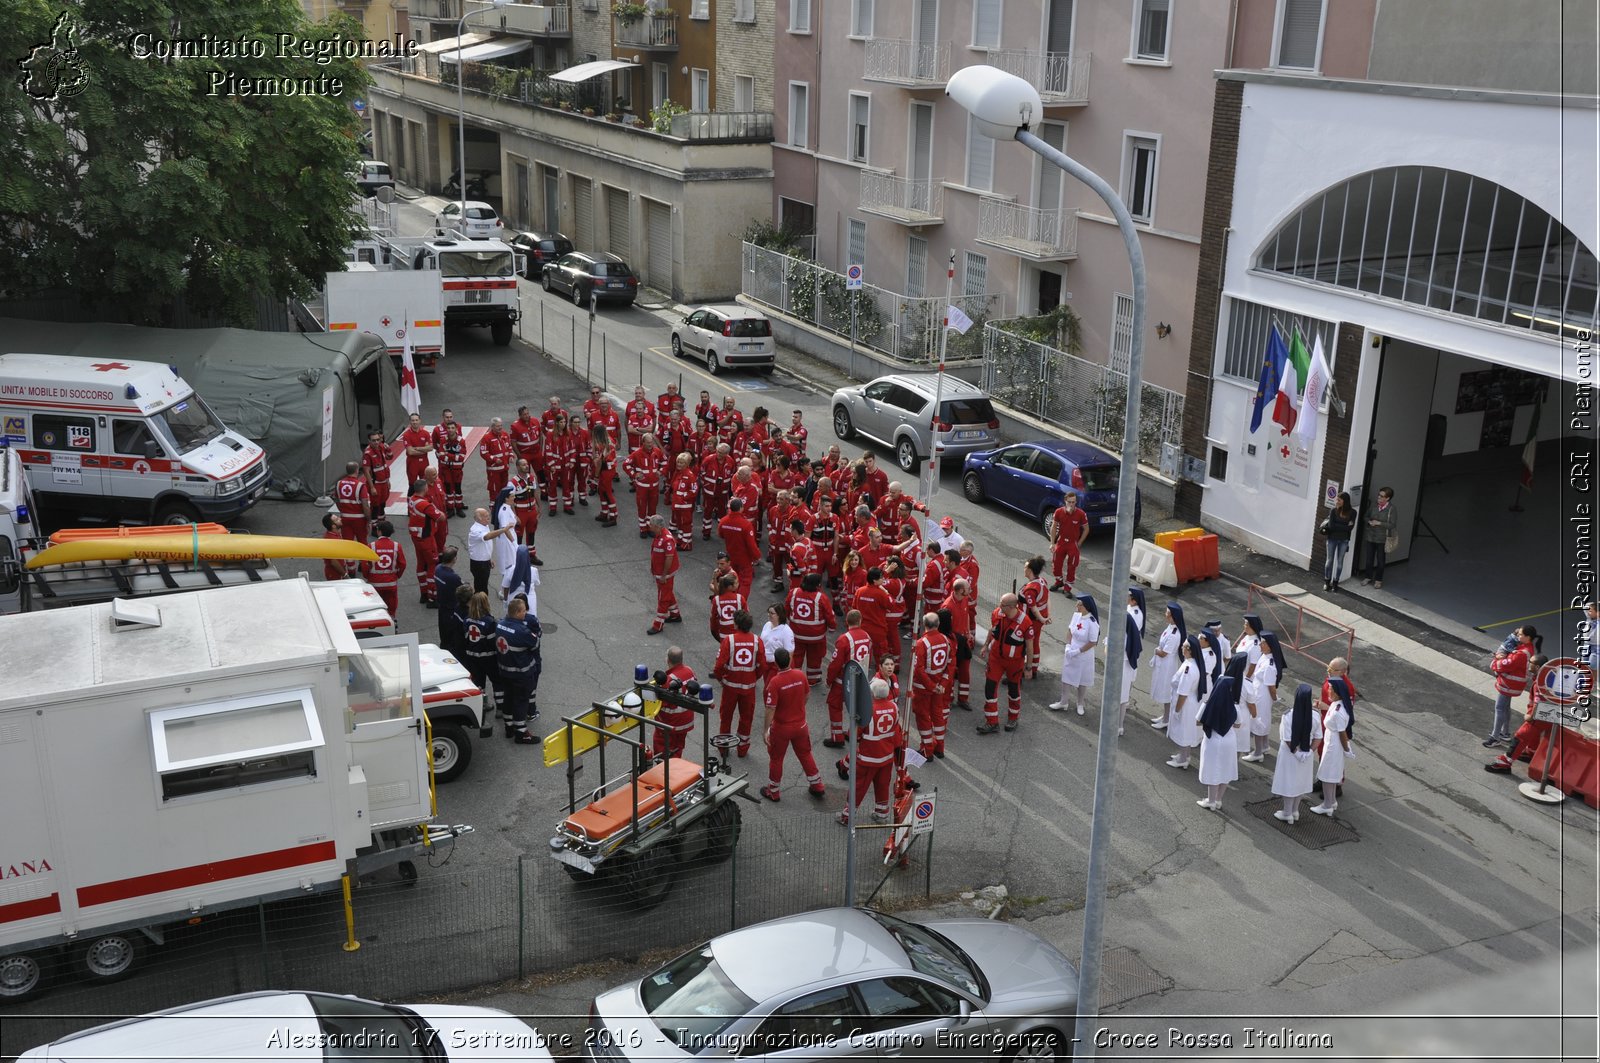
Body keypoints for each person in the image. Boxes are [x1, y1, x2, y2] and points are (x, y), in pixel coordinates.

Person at [759, 647, 827, 801]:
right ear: (789, 660)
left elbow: (770, 708)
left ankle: (773, 791)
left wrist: (765, 730)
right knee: (805, 754)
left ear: (775, 663)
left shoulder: (775, 682)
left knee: (776, 759)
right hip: (801, 726)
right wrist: (798, 708)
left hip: (781, 727)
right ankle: (817, 785)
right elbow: (807, 695)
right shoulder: (800, 675)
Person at [837, 677, 900, 825]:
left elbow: (855, 735)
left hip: (867, 758)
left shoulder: (867, 711)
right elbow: (896, 730)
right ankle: (882, 814)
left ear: (873, 694)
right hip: (886, 757)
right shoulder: (894, 707)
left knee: (858, 787)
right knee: (883, 786)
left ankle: (847, 816)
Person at [977, 592, 1034, 735]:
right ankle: (991, 721)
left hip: (1015, 663)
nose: (999, 607)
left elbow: (1030, 647)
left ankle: (1013, 718)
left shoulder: (1025, 622)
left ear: (1012, 607)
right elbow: (992, 629)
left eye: (1002, 605)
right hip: (996, 659)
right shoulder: (997, 614)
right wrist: (985, 645)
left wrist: (1028, 668)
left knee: (1014, 691)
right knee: (990, 688)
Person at [1486, 654, 1552, 774]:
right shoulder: (1550, 677)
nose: (1528, 664)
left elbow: (1539, 702)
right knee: (1535, 736)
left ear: (1537, 667)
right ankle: (1530, 752)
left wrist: (1530, 717)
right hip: (1549, 716)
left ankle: (1505, 762)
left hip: (1537, 717)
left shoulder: (1540, 683)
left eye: (1530, 663)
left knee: (1521, 736)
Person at [1196, 656, 1244, 810]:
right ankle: (1218, 800)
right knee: (1225, 770)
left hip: (1212, 740)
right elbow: (1238, 724)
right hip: (1229, 740)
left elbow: (1198, 721)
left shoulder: (1208, 704)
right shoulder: (1235, 707)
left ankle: (1210, 800)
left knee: (1212, 770)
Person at [713, 610, 763, 757]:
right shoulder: (757, 640)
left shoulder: (729, 640)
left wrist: (721, 679)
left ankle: (723, 747)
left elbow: (718, 665)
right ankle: (742, 747)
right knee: (746, 718)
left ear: (736, 624)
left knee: (726, 716)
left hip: (730, 687)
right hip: (749, 688)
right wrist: (753, 678)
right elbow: (762, 665)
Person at [1271, 684, 1323, 823]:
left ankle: (1287, 812)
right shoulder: (1315, 715)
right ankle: (1295, 810)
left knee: (1289, 782)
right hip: (1306, 754)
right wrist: (1309, 751)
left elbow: (1287, 739)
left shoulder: (1288, 715)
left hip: (1290, 754)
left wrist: (1296, 752)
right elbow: (1318, 737)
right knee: (1300, 782)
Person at [494, 596, 542, 745]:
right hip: (521, 673)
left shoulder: (500, 625)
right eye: (523, 611)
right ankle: (521, 733)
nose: (525, 613)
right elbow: (535, 644)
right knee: (521, 701)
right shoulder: (522, 631)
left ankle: (509, 727)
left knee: (508, 698)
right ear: (517, 612)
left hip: (504, 671)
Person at [825, 610, 875, 747]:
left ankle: (837, 737)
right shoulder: (867, 637)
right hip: (861, 679)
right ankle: (855, 733)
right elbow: (869, 658)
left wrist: (829, 680)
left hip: (843, 680)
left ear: (847, 622)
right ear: (860, 621)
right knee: (858, 708)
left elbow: (835, 664)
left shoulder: (844, 639)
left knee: (834, 705)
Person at [910, 612, 954, 760]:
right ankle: (939, 748)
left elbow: (918, 669)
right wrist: (942, 683)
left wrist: (930, 685)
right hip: (939, 687)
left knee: (923, 717)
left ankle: (927, 750)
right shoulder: (946, 640)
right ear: (938, 624)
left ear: (924, 625)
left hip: (924, 688)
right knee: (938, 716)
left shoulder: (922, 643)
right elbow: (950, 664)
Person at [1486, 626, 1539, 747]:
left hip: (1508, 684)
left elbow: (1505, 665)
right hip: (1513, 684)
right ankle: (1505, 733)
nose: (1518, 636)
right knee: (1505, 707)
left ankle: (1495, 737)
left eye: (1520, 634)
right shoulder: (1527, 649)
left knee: (1499, 708)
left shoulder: (1521, 652)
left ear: (1528, 637)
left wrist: (1495, 661)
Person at [1308, 677, 1354, 816]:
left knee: (1328, 776)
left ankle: (1327, 805)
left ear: (1337, 692)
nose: (1328, 690)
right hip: (1331, 742)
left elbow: (1342, 733)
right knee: (1331, 775)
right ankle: (1331, 800)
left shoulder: (1338, 711)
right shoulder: (1337, 704)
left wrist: (1347, 749)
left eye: (1331, 689)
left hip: (1333, 746)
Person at [1051, 594, 1100, 716]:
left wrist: (1078, 651)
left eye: (1079, 604)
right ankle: (1064, 702)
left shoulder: (1092, 623)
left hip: (1084, 654)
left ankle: (1080, 703)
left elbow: (1093, 642)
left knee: (1082, 680)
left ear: (1086, 607)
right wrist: (1068, 646)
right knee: (1066, 676)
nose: (1076, 605)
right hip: (1071, 650)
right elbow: (1070, 630)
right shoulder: (1076, 615)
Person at [1105, 587, 1145, 737]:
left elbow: (1130, 631)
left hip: (1125, 660)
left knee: (1122, 694)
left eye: (1129, 596)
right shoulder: (1128, 610)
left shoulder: (1135, 615)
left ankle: (1119, 725)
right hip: (1119, 661)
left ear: (1134, 599)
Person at [1166, 636, 1208, 769]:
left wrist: (1177, 710)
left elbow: (1183, 693)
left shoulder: (1189, 668)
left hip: (1185, 704)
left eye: (1183, 647)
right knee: (1187, 731)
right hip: (1189, 703)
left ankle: (1183, 759)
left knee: (1183, 731)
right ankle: (1184, 755)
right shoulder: (1190, 663)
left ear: (1189, 650)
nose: (1181, 648)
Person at [788, 573, 836, 686]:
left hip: (796, 633)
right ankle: (812, 679)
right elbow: (829, 615)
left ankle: (795, 679)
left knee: (796, 656)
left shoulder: (794, 593)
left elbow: (786, 608)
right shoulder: (821, 597)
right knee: (815, 657)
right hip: (816, 636)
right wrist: (832, 627)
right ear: (817, 584)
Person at [1244, 631, 1285, 762]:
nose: (1260, 645)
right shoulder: (1264, 656)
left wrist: (1274, 698)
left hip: (1263, 697)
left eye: (1263, 643)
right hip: (1258, 692)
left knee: (1258, 721)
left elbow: (1271, 687)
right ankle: (1265, 746)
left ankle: (1257, 752)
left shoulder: (1270, 665)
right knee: (1263, 719)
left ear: (1270, 646)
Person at [652, 646, 699, 760]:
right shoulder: (689, 670)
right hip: (686, 721)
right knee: (678, 748)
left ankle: (666, 773)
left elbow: (661, 703)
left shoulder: (668, 680)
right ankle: (676, 768)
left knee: (662, 749)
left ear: (668, 660)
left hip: (670, 723)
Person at [460, 592, 501, 718]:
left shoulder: (467, 620)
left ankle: (482, 705)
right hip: (488, 657)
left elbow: (465, 639)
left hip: (472, 657)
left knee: (478, 682)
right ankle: (500, 708)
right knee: (497, 682)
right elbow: (493, 642)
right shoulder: (490, 622)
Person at [1148, 602, 1186, 730]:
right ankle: (1165, 715)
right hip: (1163, 664)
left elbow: (1164, 653)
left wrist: (1156, 650)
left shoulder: (1175, 634)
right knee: (1163, 690)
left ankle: (1166, 719)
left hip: (1167, 665)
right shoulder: (1170, 627)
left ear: (1173, 616)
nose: (1165, 615)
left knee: (1166, 692)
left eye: (1167, 613)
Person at [940, 578, 975, 711]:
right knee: (951, 670)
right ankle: (949, 698)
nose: (970, 590)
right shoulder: (947, 606)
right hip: (953, 641)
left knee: (965, 670)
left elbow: (966, 615)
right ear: (961, 591)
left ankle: (963, 699)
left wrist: (967, 632)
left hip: (963, 639)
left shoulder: (964, 599)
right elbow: (945, 629)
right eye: (968, 588)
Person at [406, 480, 443, 607]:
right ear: (425, 488)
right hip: (426, 538)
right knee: (433, 565)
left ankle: (424, 593)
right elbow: (440, 517)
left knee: (421, 565)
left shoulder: (412, 499)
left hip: (416, 537)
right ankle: (432, 597)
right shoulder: (424, 504)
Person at [624, 433, 667, 538]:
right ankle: (643, 528)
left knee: (652, 508)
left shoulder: (657, 452)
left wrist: (660, 471)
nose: (650, 444)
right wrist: (634, 475)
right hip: (642, 487)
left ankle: (650, 527)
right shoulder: (636, 453)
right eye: (648, 442)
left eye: (651, 442)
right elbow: (626, 464)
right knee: (642, 508)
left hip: (654, 487)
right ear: (643, 442)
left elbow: (665, 461)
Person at [362, 519, 406, 618]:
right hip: (391, 583)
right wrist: (396, 575)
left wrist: (367, 576)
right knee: (391, 606)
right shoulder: (396, 546)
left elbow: (365, 565)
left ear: (379, 531)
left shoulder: (371, 546)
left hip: (375, 583)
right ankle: (392, 622)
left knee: (376, 606)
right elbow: (402, 564)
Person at [646, 514, 682, 635]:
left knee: (663, 597)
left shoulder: (666, 539)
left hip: (665, 574)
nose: (649, 526)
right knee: (666, 592)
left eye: (651, 525)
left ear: (657, 526)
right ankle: (675, 614)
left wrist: (664, 575)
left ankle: (658, 624)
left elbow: (669, 558)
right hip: (660, 572)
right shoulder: (659, 535)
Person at [719, 497, 761, 599]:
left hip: (731, 557)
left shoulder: (723, 521)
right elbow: (751, 545)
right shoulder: (746, 524)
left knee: (732, 580)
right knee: (745, 582)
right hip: (744, 559)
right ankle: (740, 604)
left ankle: (731, 600)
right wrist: (757, 556)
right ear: (741, 508)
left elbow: (721, 535)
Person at [1048, 492, 1090, 593]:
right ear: (1065, 501)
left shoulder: (1081, 514)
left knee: (1072, 566)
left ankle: (1067, 588)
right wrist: (1052, 543)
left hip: (1073, 544)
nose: (1071, 504)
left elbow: (1086, 529)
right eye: (1069, 502)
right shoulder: (1058, 512)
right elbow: (1054, 527)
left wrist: (1079, 543)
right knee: (1056, 564)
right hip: (1061, 542)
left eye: (1074, 502)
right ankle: (1059, 582)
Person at [853, 567, 894, 663]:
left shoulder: (859, 591)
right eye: (881, 578)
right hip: (878, 630)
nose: (883, 579)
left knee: (861, 658)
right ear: (874, 580)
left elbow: (854, 607)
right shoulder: (881, 594)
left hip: (862, 629)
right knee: (881, 659)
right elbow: (891, 605)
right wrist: (887, 593)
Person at [1019, 556, 1052, 678]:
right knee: (1035, 642)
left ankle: (1023, 669)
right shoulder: (1042, 581)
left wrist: (1042, 618)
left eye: (1025, 567)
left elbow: (1032, 607)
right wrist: (1046, 615)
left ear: (1030, 570)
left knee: (1026, 644)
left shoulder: (1030, 589)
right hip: (1039, 620)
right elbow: (1047, 598)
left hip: (1031, 621)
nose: (1024, 569)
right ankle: (1034, 668)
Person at [466, 506, 510, 594]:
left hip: (484, 561)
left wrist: (489, 559)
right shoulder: (475, 530)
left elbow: (485, 546)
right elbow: (487, 537)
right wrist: (503, 530)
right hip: (479, 564)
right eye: (486, 516)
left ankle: (481, 604)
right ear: (479, 518)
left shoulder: (484, 525)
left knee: (483, 585)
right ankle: (480, 605)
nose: (488, 517)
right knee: (481, 588)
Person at [431, 410, 467, 516]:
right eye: (447, 417)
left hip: (457, 469)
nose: (450, 430)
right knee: (447, 488)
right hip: (445, 468)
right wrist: (453, 456)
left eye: (453, 428)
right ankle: (450, 508)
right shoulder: (442, 438)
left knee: (457, 488)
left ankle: (459, 507)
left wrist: (448, 455)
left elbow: (461, 457)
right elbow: (441, 454)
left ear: (456, 429)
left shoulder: (461, 441)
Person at [1360, 486, 1397, 588]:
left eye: (1382, 496)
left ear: (1387, 498)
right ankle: (1368, 577)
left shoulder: (1391, 509)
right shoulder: (1374, 506)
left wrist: (1379, 523)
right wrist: (1369, 522)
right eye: (1379, 495)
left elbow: (1392, 525)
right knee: (1369, 559)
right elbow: (1365, 516)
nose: (1379, 497)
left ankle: (1378, 580)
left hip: (1382, 539)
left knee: (1380, 561)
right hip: (1371, 537)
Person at [1319, 492, 1356, 591]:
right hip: (1333, 539)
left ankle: (1333, 583)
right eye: (1337, 500)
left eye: (1339, 500)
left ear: (1345, 501)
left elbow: (1350, 528)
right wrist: (1344, 526)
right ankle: (1329, 582)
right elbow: (1331, 526)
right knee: (1330, 561)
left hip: (1342, 540)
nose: (1337, 502)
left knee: (1338, 562)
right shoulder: (1333, 510)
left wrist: (1337, 525)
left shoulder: (1352, 512)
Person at [334, 461, 372, 543]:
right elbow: (365, 506)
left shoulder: (339, 484)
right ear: (357, 471)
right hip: (359, 520)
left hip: (345, 518)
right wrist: (369, 520)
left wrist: (343, 511)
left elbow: (337, 500)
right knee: (362, 543)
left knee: (347, 544)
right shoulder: (360, 486)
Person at [478, 418, 513, 503]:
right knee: (494, 491)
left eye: (501, 425)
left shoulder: (505, 434)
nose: (500, 428)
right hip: (494, 471)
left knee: (504, 489)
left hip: (504, 469)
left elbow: (509, 447)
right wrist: (494, 459)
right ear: (492, 427)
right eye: (497, 426)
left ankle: (503, 507)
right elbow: (483, 452)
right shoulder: (486, 438)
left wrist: (511, 455)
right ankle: (494, 510)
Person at [591, 422, 619, 528]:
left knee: (607, 493)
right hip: (607, 469)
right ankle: (604, 512)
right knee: (602, 492)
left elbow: (599, 462)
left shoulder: (605, 444)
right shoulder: (606, 441)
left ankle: (613, 516)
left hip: (606, 470)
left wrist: (596, 477)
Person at [501, 544, 541, 617]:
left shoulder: (510, 570)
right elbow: (537, 583)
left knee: (512, 618)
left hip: (513, 597)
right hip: (529, 596)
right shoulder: (533, 570)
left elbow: (505, 587)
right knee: (531, 619)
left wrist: (505, 601)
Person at [434, 548, 463, 646]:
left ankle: (443, 646)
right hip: (451, 608)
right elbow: (462, 590)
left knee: (443, 631)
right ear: (454, 559)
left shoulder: (438, 569)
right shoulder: (453, 577)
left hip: (441, 605)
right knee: (451, 635)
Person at [669, 452, 698, 550]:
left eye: (681, 463)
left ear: (687, 464)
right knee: (680, 524)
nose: (679, 464)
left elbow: (694, 490)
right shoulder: (678, 473)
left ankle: (687, 544)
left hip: (685, 506)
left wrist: (684, 497)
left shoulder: (690, 475)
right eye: (678, 462)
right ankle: (680, 540)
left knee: (686, 525)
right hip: (678, 505)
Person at [361, 428, 393, 517]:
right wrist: (371, 487)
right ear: (369, 441)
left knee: (383, 503)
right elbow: (366, 472)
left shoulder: (381, 447)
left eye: (378, 440)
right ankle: (374, 526)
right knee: (375, 506)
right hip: (376, 484)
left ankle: (381, 521)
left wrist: (387, 481)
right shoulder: (368, 454)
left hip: (384, 482)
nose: (376, 442)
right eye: (373, 440)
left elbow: (386, 462)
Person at [709, 570, 747, 642]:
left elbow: (713, 619)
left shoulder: (716, 600)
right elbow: (746, 617)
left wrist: (715, 632)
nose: (738, 584)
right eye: (736, 583)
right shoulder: (740, 598)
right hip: (738, 634)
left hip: (723, 635)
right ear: (730, 587)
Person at [400, 412, 433, 488]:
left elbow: (430, 448)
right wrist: (424, 449)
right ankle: (411, 499)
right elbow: (410, 452)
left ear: (420, 421)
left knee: (425, 485)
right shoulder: (406, 435)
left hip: (424, 462)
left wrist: (417, 448)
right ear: (410, 422)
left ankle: (424, 500)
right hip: (412, 463)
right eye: (412, 420)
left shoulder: (426, 433)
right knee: (412, 486)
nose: (414, 422)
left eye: (416, 420)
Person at [759, 602, 796, 672]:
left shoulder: (786, 631)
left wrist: (785, 670)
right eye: (768, 612)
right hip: (766, 665)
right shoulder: (767, 625)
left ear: (779, 615)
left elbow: (790, 653)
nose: (768, 615)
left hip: (777, 667)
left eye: (772, 613)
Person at [320, 512, 354, 580]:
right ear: (333, 526)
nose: (340, 519)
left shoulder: (335, 534)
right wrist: (345, 575)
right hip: (334, 574)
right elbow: (334, 562)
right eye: (337, 519)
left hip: (338, 570)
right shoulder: (331, 540)